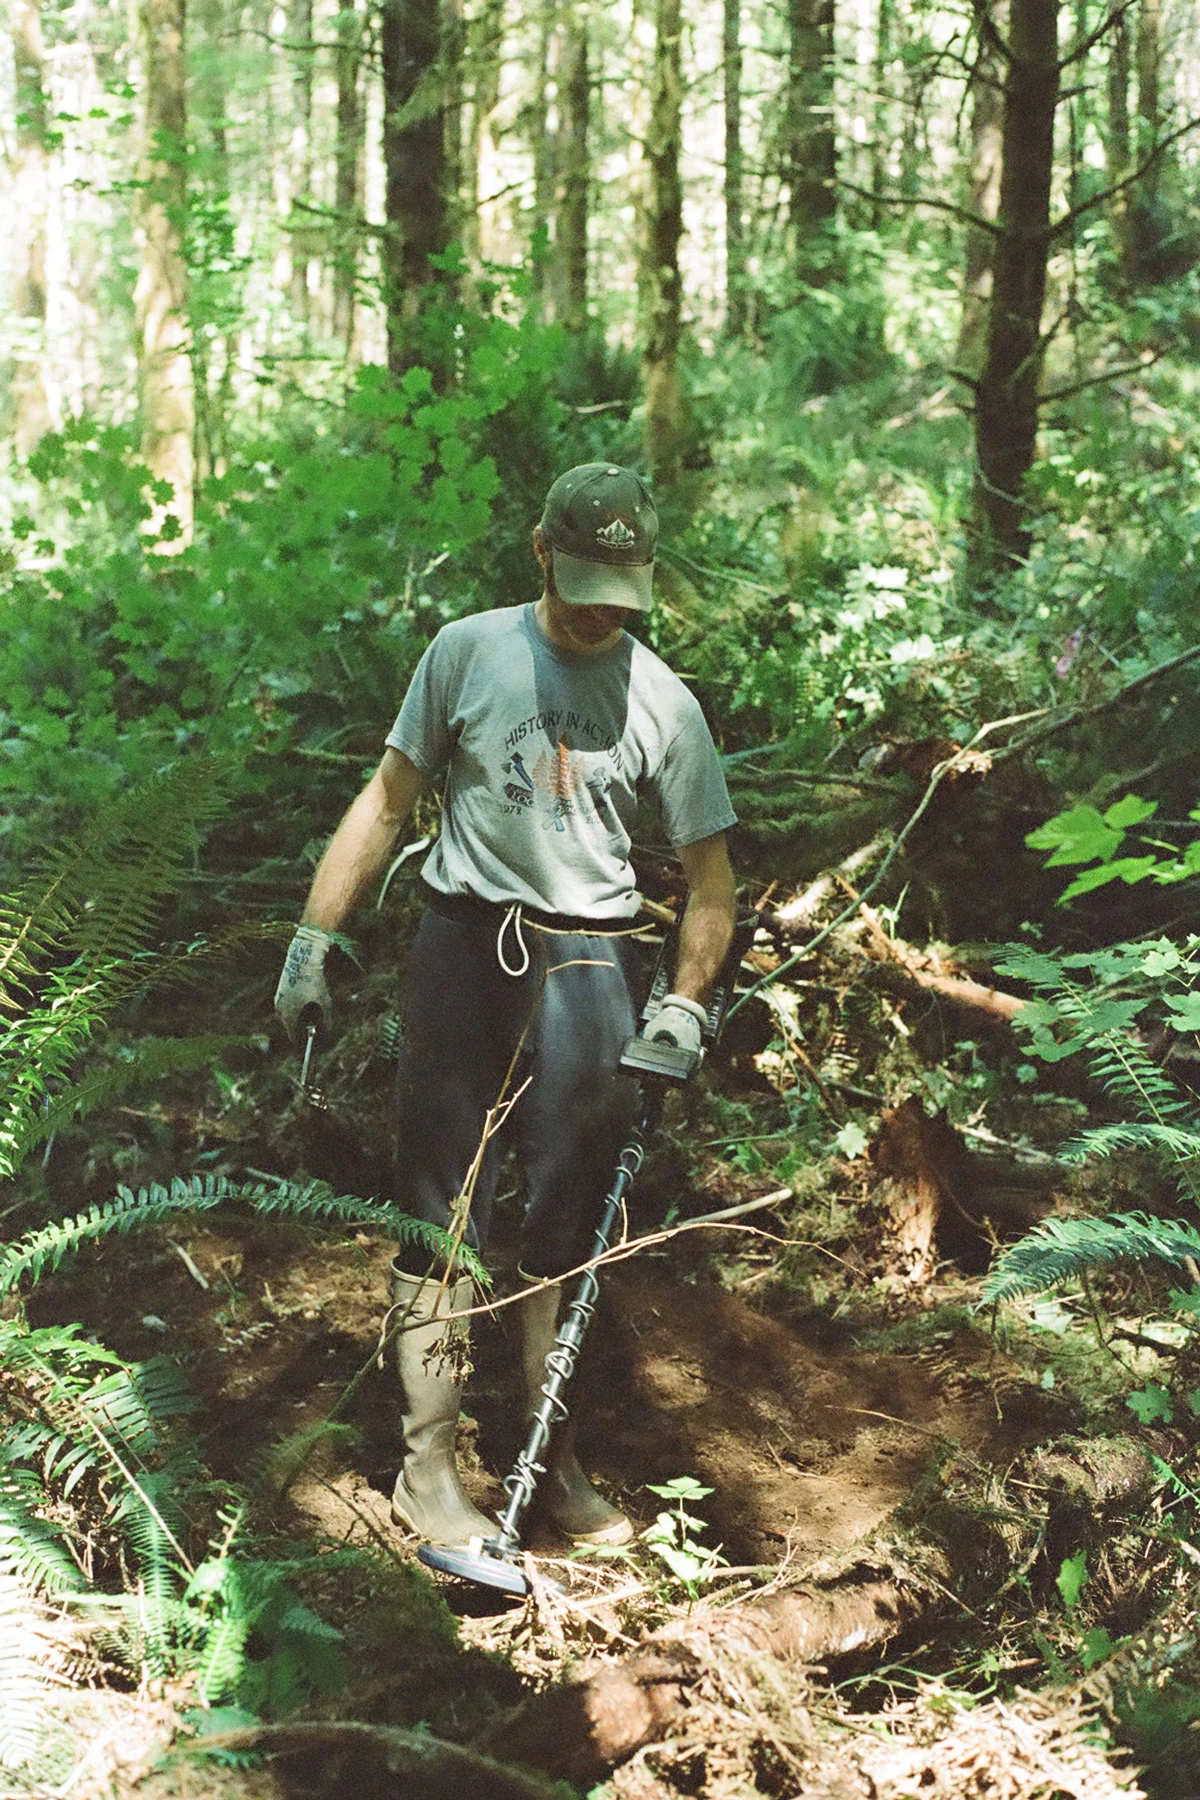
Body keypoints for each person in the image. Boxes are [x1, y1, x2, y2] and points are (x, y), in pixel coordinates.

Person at [275, 463, 737, 1554]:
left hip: (592, 965)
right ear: (542, 553)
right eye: (581, 583)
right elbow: (388, 798)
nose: (596, 612)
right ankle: (426, 1469)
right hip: (464, 948)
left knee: (568, 1218)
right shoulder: (468, 652)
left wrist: (681, 1006)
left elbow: (711, 883)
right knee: (437, 1205)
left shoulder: (665, 701)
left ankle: (548, 1455)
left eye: (619, 592)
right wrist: (313, 938)